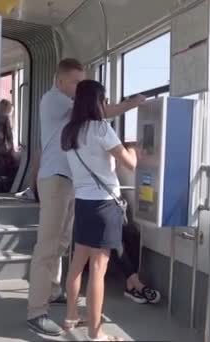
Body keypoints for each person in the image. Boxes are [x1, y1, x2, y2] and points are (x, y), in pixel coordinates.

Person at [26, 58, 145, 337]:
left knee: (63, 244)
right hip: (56, 179)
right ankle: (36, 310)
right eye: (75, 83)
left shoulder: (74, 119)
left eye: (82, 83)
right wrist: (133, 103)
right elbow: (99, 110)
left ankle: (54, 291)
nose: (79, 88)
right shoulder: (54, 100)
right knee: (48, 245)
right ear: (60, 82)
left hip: (72, 184)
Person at [62, 80, 138, 341]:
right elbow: (129, 164)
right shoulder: (102, 129)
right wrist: (133, 149)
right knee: (98, 269)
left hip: (82, 203)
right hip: (105, 205)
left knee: (77, 264)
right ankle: (96, 333)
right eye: (103, 100)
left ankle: (71, 316)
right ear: (97, 102)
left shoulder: (69, 131)